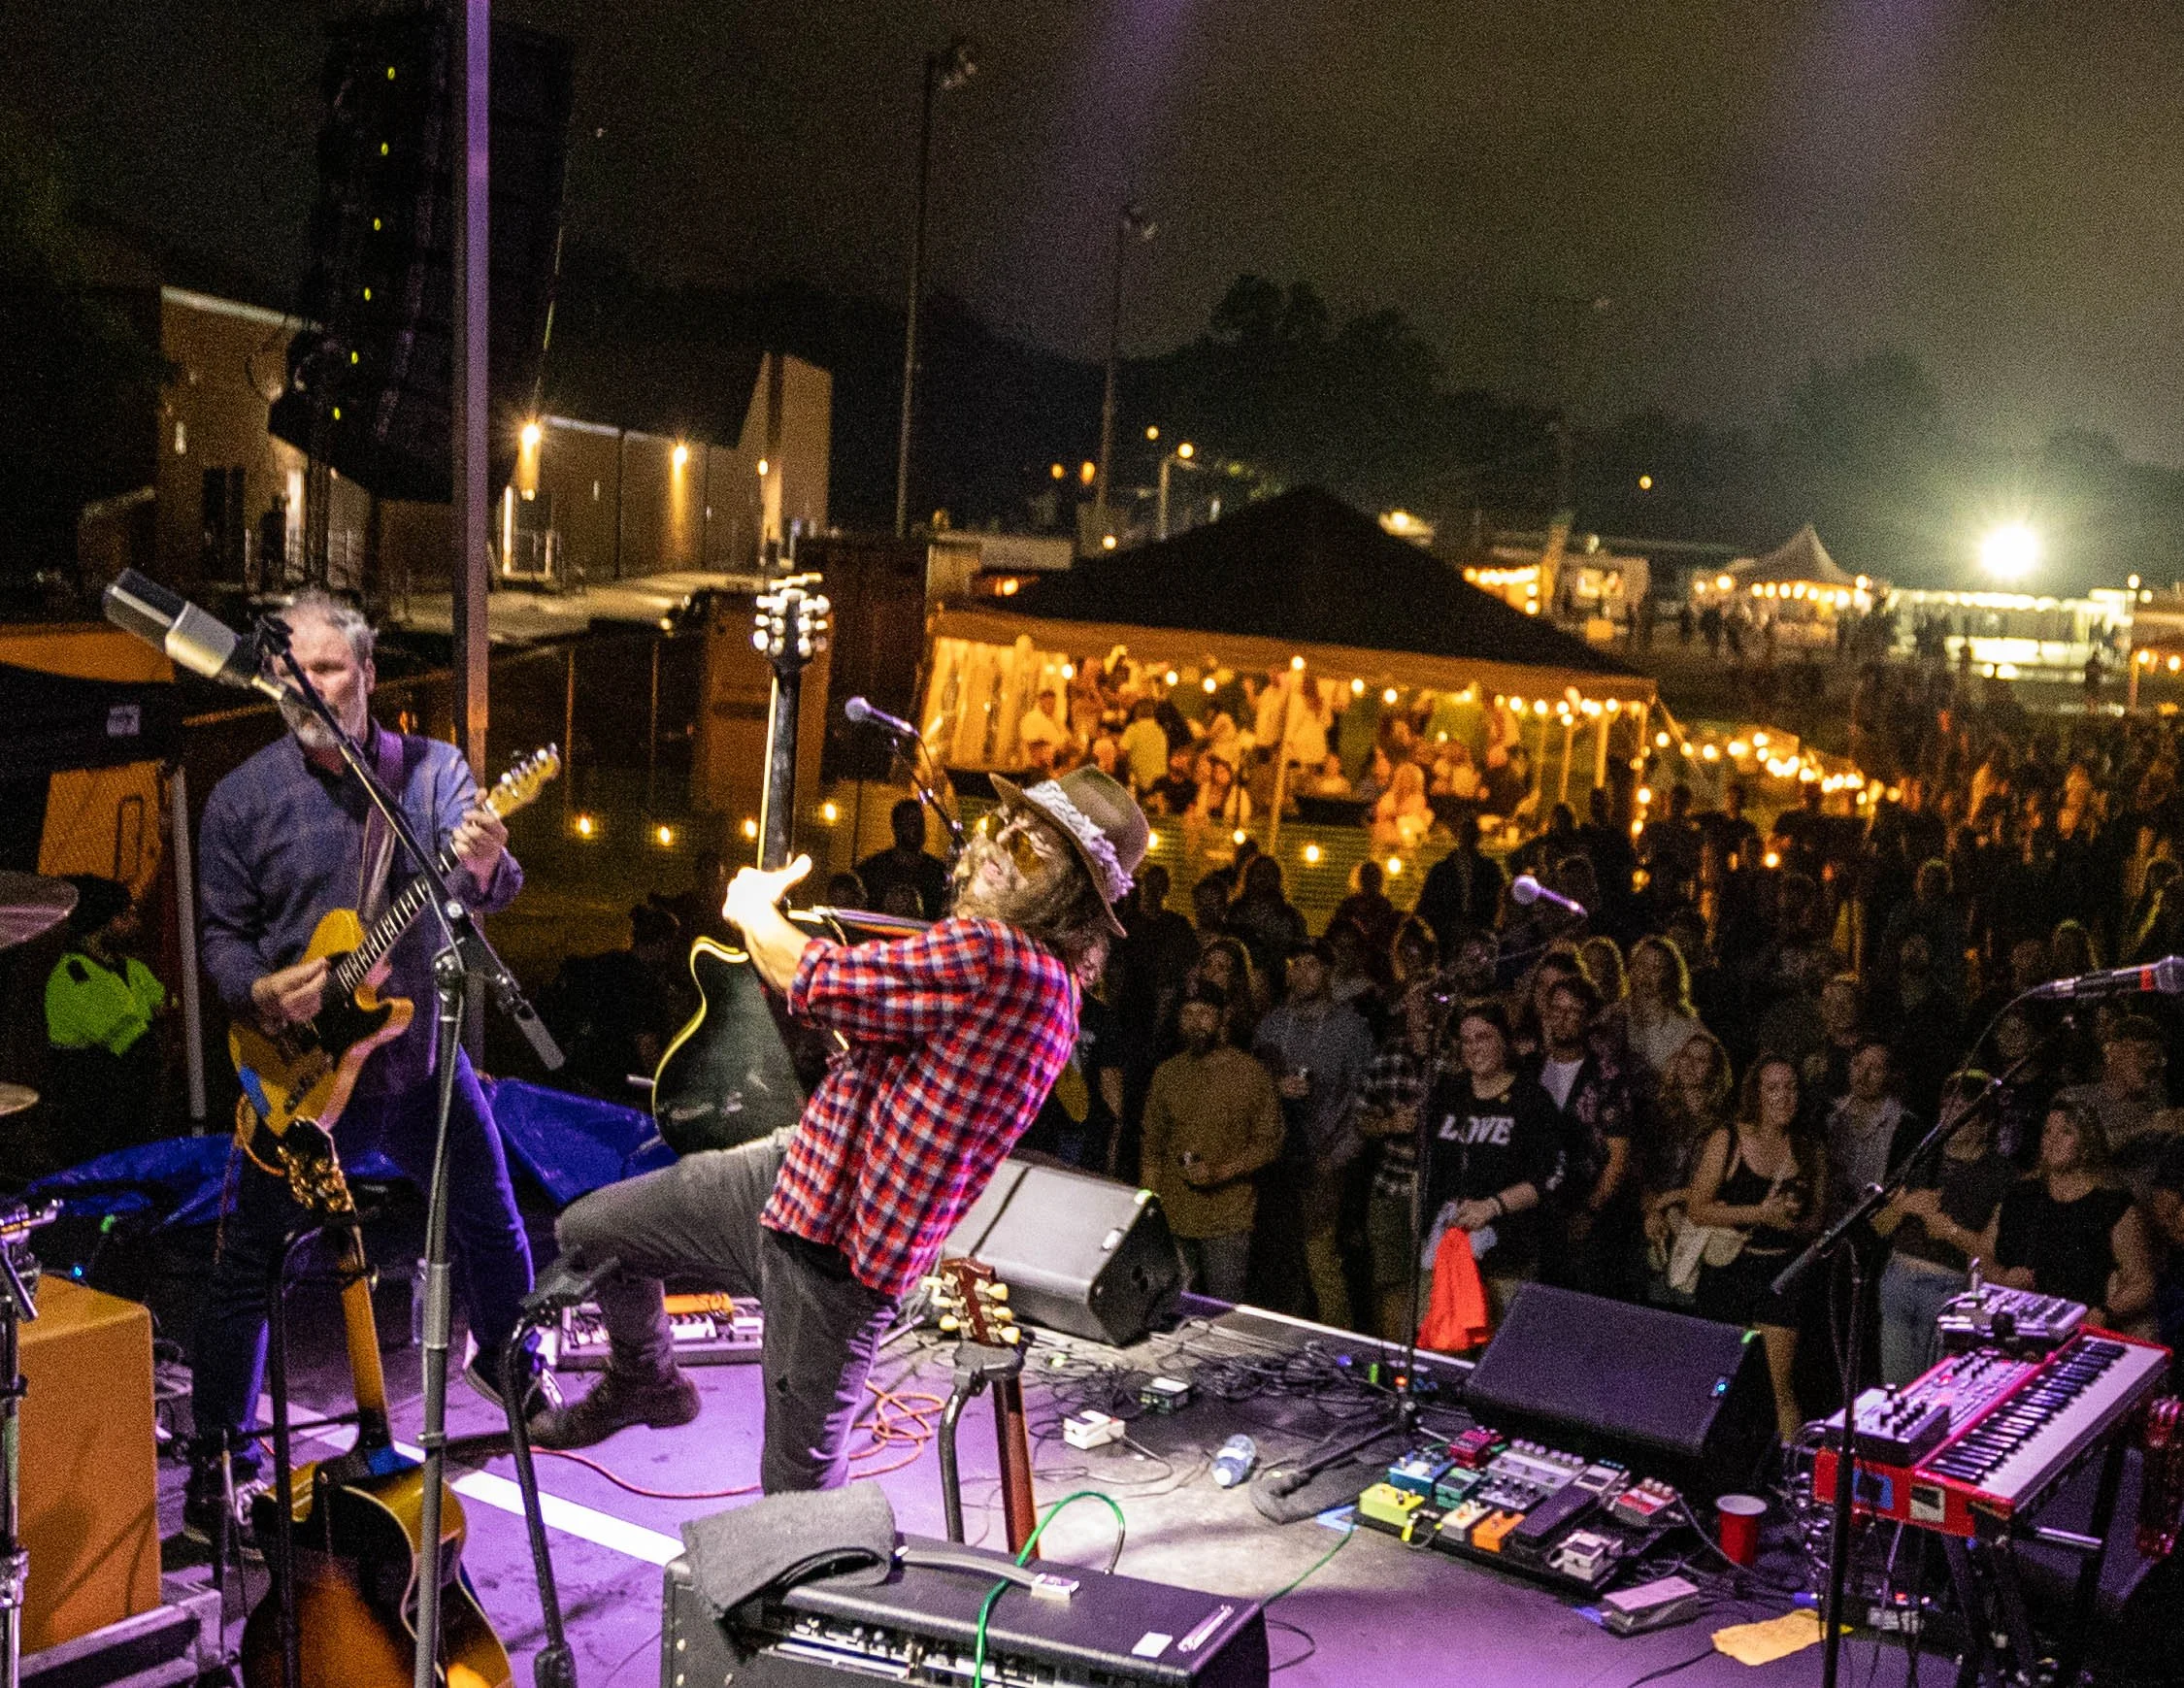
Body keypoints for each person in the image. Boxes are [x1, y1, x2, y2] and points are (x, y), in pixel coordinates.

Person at [531, 767, 1150, 1490]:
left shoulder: (1001, 957)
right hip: (791, 1175)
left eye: (1035, 848)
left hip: (834, 1264)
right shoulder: (1042, 985)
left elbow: (813, 978)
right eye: (1004, 824)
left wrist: (755, 908)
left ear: (1072, 895)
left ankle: (805, 1593)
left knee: (797, 1494)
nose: (1000, 844)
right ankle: (648, 1379)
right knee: (591, 1229)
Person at [188, 591, 536, 1545]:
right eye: (292, 672)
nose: (310, 688)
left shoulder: (429, 777)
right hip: (294, 1077)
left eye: (330, 669)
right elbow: (218, 938)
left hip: (417, 1059)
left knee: (489, 1211)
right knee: (244, 1268)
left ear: (370, 675)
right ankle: (219, 1460)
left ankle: (516, 1368)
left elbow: (492, 887)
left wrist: (494, 858)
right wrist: (264, 991)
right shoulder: (241, 800)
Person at [1684, 1055, 1824, 1440]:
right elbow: (1697, 1208)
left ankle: (1786, 1471)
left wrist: (1792, 1220)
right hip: (1729, 1270)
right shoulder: (1728, 1138)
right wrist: (1761, 1213)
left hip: (1780, 1274)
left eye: (1791, 1087)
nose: (1783, 1097)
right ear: (1757, 1094)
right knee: (1713, 1379)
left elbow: (1817, 1224)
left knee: (1781, 1387)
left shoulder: (1810, 1149)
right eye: (1773, 1088)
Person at [1419, 1001, 1564, 1334]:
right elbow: (1429, 1163)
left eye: (1483, 1038)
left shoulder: (1531, 1099)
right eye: (1466, 1041)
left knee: (1499, 1345)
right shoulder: (1448, 1092)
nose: (1473, 1048)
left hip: (1506, 1250)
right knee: (1441, 1343)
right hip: (1446, 1242)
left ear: (1504, 1041)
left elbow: (1548, 1176)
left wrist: (1492, 1206)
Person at [1255, 940, 1374, 1329]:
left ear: (1328, 972)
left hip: (1325, 1158)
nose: (1303, 972)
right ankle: (1278, 1342)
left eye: (1312, 965)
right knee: (1277, 1257)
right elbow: (1251, 1088)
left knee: (1321, 1259)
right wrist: (1275, 1086)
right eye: (1297, 964)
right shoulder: (1271, 1024)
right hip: (1273, 1159)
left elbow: (1365, 1098)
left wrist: (1338, 1158)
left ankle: (1336, 1349)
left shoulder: (1350, 1028)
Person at [1140, 980, 1284, 1301]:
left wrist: (1220, 1172)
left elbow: (1269, 1143)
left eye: (1205, 1013)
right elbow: (1152, 1146)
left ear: (1224, 1016)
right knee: (1169, 1307)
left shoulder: (1249, 1073)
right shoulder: (1167, 1073)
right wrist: (1149, 1208)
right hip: (1174, 1215)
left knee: (1225, 1311)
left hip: (1228, 1217)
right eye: (1188, 1013)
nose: (1195, 1021)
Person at [1875, 1077, 2011, 1384]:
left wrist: (1950, 1231)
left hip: (1950, 1288)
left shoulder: (2000, 1175)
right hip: (1899, 1279)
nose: (1952, 1116)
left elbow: (1992, 1257)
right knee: (1896, 1389)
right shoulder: (1922, 1157)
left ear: (1985, 1121)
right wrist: (1906, 1205)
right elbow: (1879, 1225)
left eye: (1963, 1109)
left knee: (1938, 1391)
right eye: (1947, 1108)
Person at [1991, 1099, 2156, 1334]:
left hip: (2078, 1324)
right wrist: (2004, 1277)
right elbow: (1983, 1255)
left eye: (2066, 1132)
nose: (2052, 1139)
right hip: (2015, 1319)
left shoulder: (2112, 1206)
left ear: (2086, 1144)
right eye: (2047, 1131)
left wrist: (2105, 1312)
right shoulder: (2021, 1195)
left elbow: (2142, 1283)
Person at [44, 876, 168, 1158]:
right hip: (95, 1119)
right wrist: (158, 1022)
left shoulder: (132, 968)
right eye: (125, 916)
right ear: (100, 924)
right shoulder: (74, 975)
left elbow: (168, 1006)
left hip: (130, 1109)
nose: (135, 923)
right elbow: (134, 1042)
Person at [1533, 972, 1638, 1300]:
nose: (1563, 1019)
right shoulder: (1530, 1068)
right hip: (1537, 1206)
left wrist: (1590, 1210)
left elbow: (1619, 1154)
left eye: (1573, 1011)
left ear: (1587, 1018)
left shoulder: (1607, 1076)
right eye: (1557, 1009)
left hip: (1588, 1206)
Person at [1358, 979, 1442, 1340]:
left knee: (1431, 1285)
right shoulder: (1387, 1056)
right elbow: (1362, 1119)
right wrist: (1391, 1123)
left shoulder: (1455, 1056)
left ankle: (1425, 1363)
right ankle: (1394, 1362)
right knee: (1391, 1281)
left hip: (1439, 1190)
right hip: (1391, 1183)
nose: (1421, 1017)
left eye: (1428, 1008)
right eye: (1415, 1008)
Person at [1414, 815, 1506, 952]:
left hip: (1478, 936)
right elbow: (1427, 905)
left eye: (1471, 834)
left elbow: (1499, 902)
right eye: (1465, 833)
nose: (1468, 839)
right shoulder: (1441, 871)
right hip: (1447, 937)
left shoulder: (1489, 870)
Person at [854, 798, 951, 919]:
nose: (916, 829)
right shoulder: (872, 870)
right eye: (910, 822)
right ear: (896, 827)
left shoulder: (938, 872)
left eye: (920, 823)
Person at [1622, 934, 1700, 1076]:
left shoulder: (1685, 1027)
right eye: (1641, 965)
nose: (1645, 975)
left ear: (1670, 976)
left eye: (1655, 969)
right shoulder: (1612, 1014)